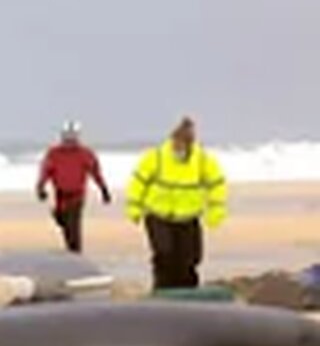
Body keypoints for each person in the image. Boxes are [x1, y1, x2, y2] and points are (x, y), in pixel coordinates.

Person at [125, 117, 228, 291]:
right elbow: (138, 181)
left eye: (183, 146)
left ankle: (188, 292)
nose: (178, 149)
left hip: (188, 218)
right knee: (165, 255)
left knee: (190, 259)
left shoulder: (202, 160)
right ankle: (162, 290)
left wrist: (216, 210)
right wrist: (134, 207)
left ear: (190, 145)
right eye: (176, 145)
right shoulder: (156, 157)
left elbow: (216, 184)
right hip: (159, 216)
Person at [36, 120, 111, 253]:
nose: (69, 140)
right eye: (67, 137)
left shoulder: (85, 154)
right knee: (64, 222)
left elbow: (96, 173)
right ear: (62, 137)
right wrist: (40, 188)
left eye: (72, 137)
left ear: (77, 137)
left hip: (77, 195)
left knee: (74, 226)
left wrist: (104, 190)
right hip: (60, 195)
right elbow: (45, 172)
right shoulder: (54, 153)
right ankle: (61, 223)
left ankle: (75, 252)